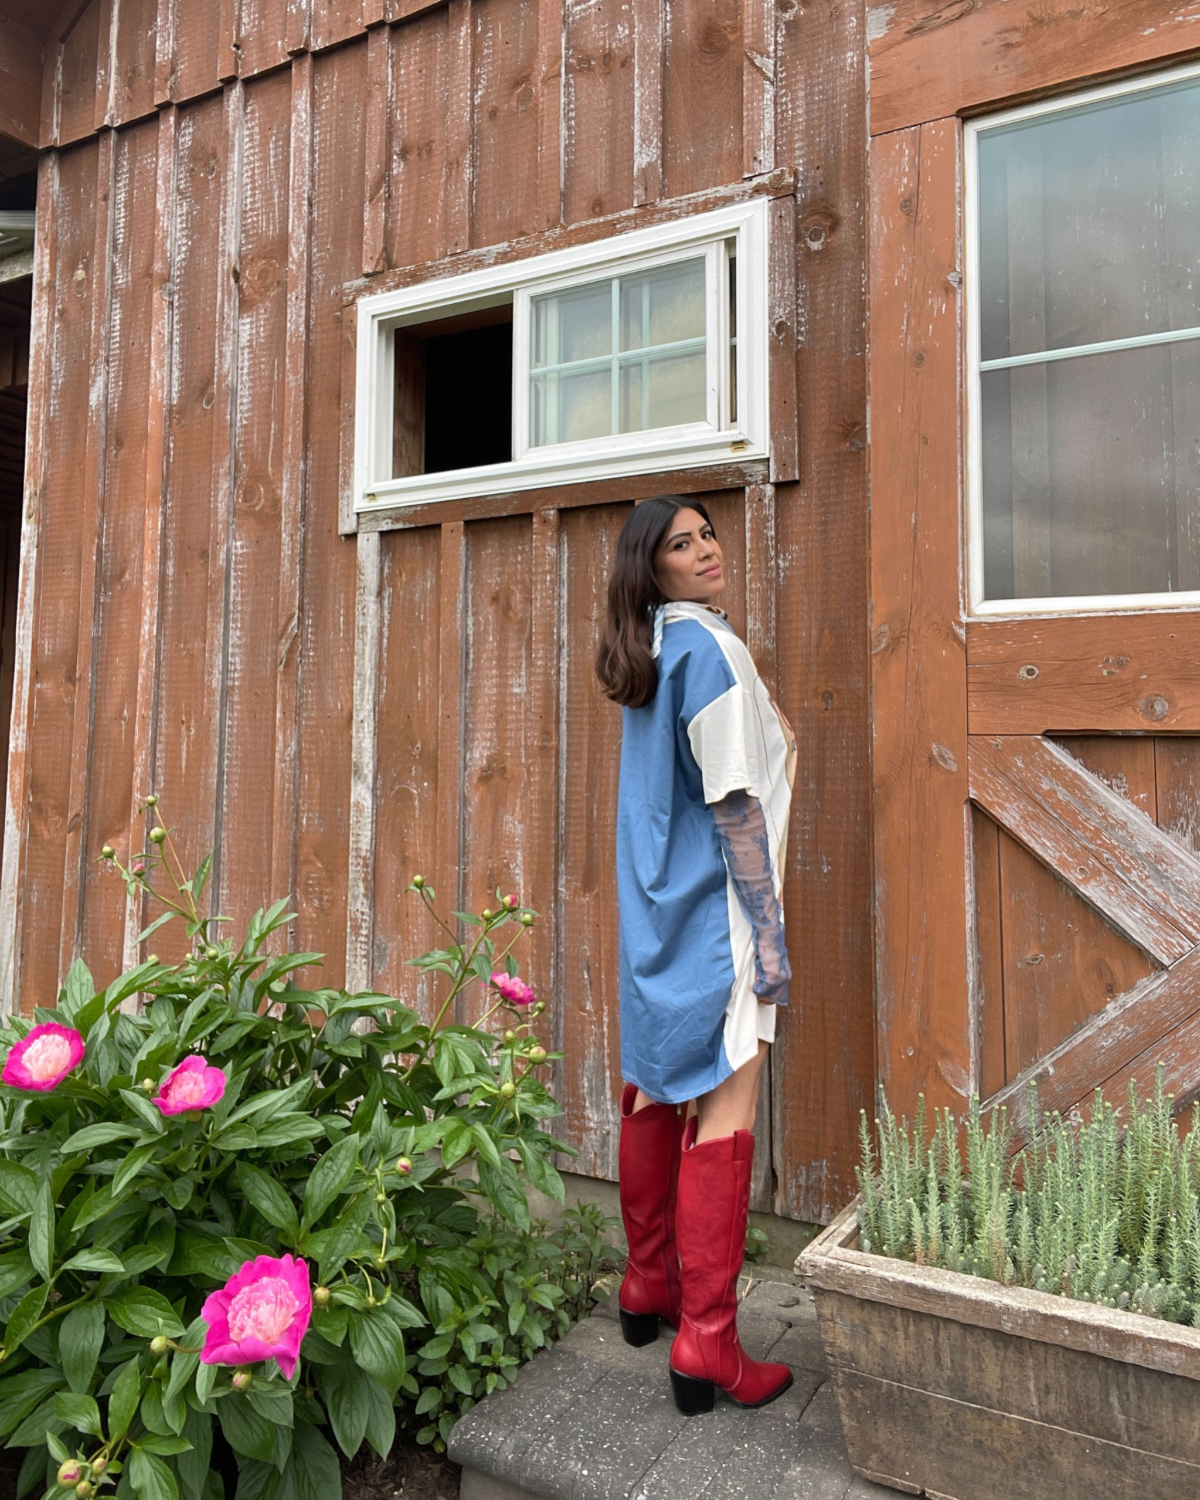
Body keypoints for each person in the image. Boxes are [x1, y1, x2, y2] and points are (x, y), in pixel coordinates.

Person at [595, 495, 797, 1416]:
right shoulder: (709, 651)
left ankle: (647, 1286)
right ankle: (707, 1341)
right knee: (726, 1101)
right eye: (683, 543)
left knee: (652, 1083)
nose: (706, 548)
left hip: (654, 914)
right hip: (716, 918)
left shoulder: (657, 655)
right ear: (654, 570)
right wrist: (770, 935)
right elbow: (735, 806)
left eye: (708, 532)